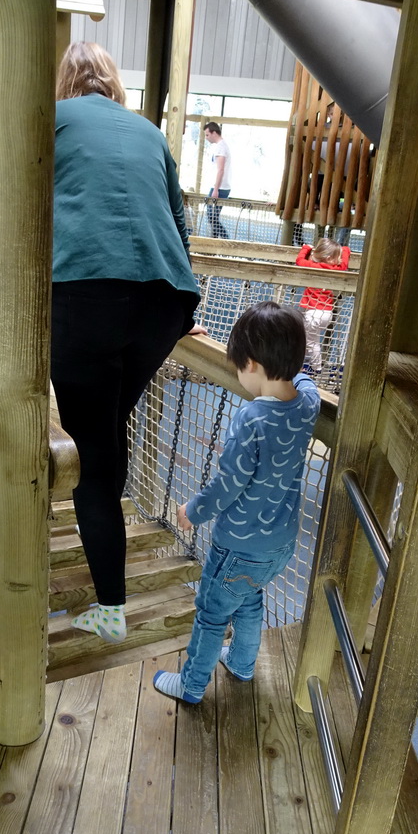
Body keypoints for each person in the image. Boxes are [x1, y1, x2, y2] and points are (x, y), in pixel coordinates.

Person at [0, 42, 200, 645]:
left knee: (92, 454)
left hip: (84, 297)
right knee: (106, 434)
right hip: (165, 303)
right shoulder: (149, 132)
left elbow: (4, 223)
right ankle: (109, 554)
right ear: (112, 82)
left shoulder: (47, 120)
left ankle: (109, 607)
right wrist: (187, 312)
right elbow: (178, 225)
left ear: (65, 81)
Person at [153, 301, 319, 704]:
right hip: (279, 545)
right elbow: (306, 379)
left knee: (211, 615)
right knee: (250, 599)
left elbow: (228, 485)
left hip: (238, 547)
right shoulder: (308, 402)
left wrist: (192, 511)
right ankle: (242, 664)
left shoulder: (251, 420)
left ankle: (191, 686)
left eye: (239, 366)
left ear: (254, 366)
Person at [295, 237, 350, 373]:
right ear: (331, 258)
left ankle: (315, 369)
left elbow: (299, 261)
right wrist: (345, 250)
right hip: (327, 313)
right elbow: (345, 264)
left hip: (313, 312)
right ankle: (311, 366)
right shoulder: (337, 269)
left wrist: (305, 248)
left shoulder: (314, 266)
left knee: (310, 342)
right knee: (312, 340)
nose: (340, 259)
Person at [204, 121, 232, 239]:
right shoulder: (221, 146)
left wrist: (216, 190)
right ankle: (216, 239)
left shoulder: (221, 147)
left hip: (219, 187)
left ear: (214, 133)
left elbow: (220, 170)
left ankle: (225, 239)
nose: (206, 138)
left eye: (207, 135)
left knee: (211, 216)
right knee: (213, 217)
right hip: (219, 186)